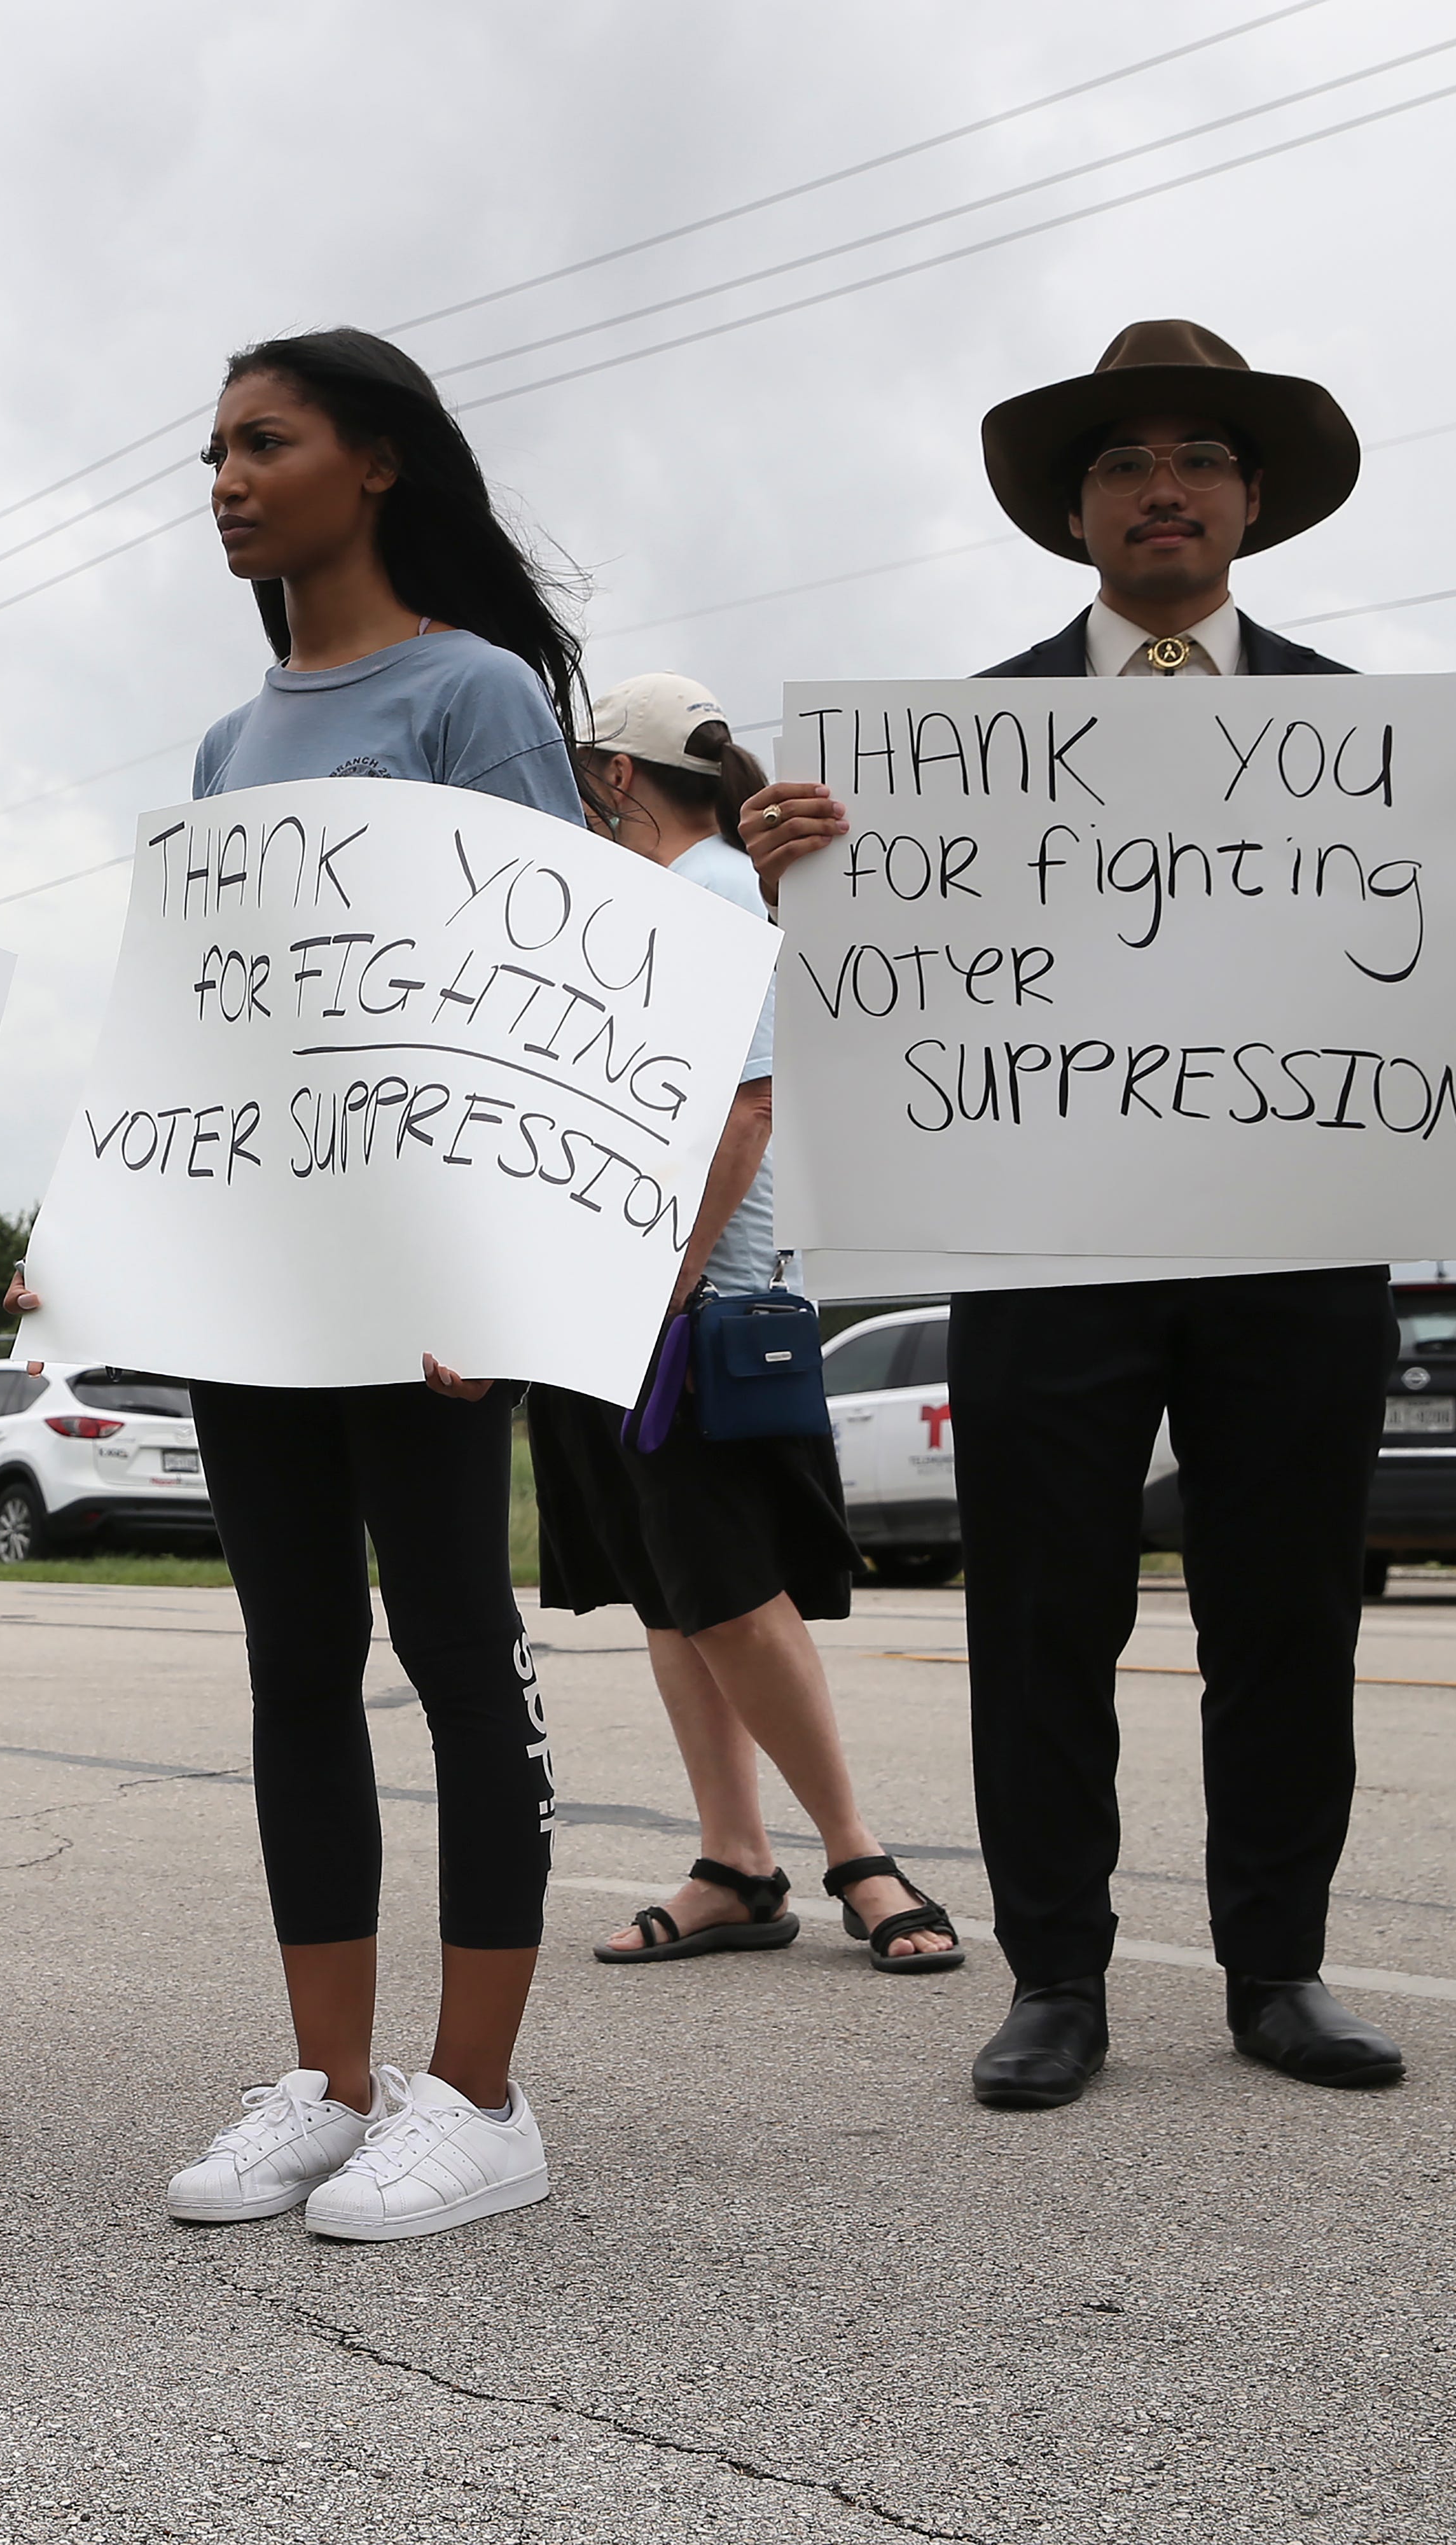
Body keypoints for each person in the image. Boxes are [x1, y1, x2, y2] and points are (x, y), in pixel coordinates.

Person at [740, 321, 1456, 2109]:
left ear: (1253, 502)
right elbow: (877, 996)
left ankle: (1278, 1969)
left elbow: (1446, 981)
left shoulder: (1389, 746)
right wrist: (802, 873)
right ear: (1077, 515)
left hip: (1295, 1245)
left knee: (1287, 1614)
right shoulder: (950, 756)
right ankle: (1056, 1981)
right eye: (1124, 463)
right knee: (1043, 1615)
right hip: (1049, 1251)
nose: (1164, 489)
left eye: (1198, 457)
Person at [10, 330, 580, 2242]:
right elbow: (201, 1029)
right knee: (291, 1668)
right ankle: (331, 2083)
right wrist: (101, 1232)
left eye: (264, 443)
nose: (226, 479)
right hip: (257, 1284)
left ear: (379, 464)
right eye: (213, 451)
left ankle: (480, 2096)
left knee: (451, 1650)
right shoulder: (227, 739)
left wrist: (496, 1279)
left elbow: (542, 1000)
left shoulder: (476, 692)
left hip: (420, 1291)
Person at [528, 673, 960, 1977]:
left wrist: (665, 1277)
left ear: (612, 775)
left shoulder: (704, 895)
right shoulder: (656, 899)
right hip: (627, 1300)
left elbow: (750, 1107)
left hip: (693, 1304)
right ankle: (734, 1859)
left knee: (727, 1590)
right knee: (673, 1595)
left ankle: (854, 1851)